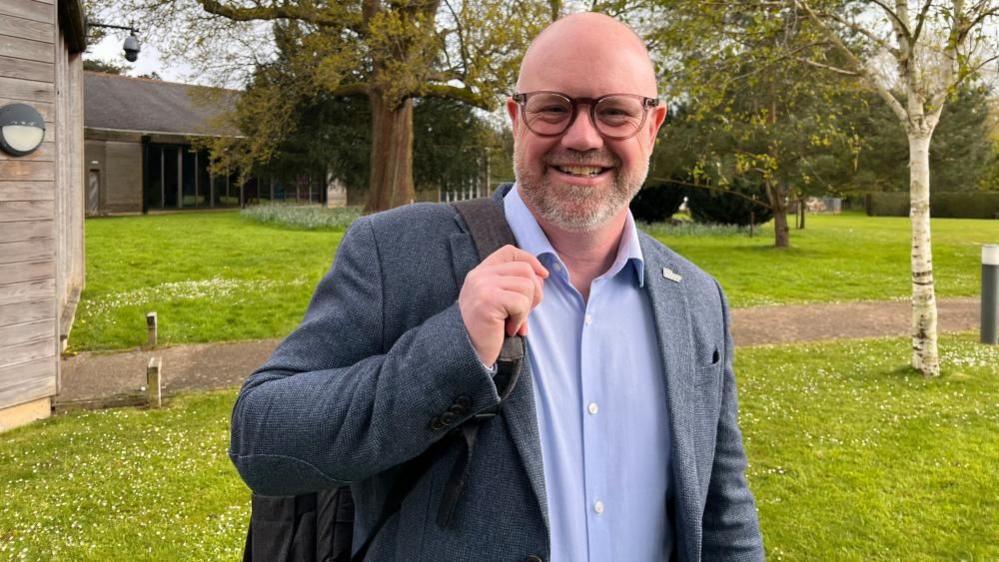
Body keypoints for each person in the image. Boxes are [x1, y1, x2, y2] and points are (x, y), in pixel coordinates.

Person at [229, 12, 764, 562]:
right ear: (516, 118)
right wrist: (449, 352)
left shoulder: (697, 300)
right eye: (554, 108)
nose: (582, 136)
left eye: (615, 112)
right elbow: (261, 440)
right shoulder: (396, 253)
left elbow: (722, 510)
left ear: (652, 127)